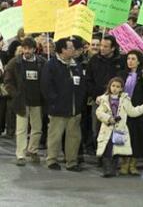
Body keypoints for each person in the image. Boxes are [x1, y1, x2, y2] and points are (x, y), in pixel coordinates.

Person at [41, 38, 86, 171]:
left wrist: (80, 102)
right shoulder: (51, 65)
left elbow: (82, 85)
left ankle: (71, 162)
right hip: (58, 109)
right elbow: (46, 87)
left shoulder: (76, 65)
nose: (73, 50)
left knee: (74, 137)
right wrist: (54, 102)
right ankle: (52, 160)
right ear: (62, 50)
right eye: (70, 47)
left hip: (74, 109)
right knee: (55, 136)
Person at [4, 37, 46, 166]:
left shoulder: (42, 62)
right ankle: (20, 155)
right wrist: (15, 95)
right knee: (21, 129)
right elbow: (8, 81)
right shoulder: (14, 62)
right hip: (21, 101)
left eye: (29, 48)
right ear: (22, 48)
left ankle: (32, 150)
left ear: (34, 49)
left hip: (37, 101)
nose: (27, 51)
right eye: (25, 48)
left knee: (37, 128)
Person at [96, 77, 143, 178]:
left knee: (116, 151)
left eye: (118, 87)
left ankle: (113, 170)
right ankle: (107, 170)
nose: (115, 88)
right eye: (113, 86)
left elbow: (133, 112)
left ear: (121, 88)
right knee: (107, 150)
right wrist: (109, 118)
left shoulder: (125, 100)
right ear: (109, 87)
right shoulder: (104, 99)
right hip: (107, 129)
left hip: (119, 130)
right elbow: (99, 112)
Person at [118, 50, 143, 175]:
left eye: (133, 59)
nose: (130, 61)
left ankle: (133, 164)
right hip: (123, 111)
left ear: (139, 61)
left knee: (136, 138)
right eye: (128, 58)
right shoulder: (121, 74)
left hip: (138, 110)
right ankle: (124, 163)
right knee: (124, 137)